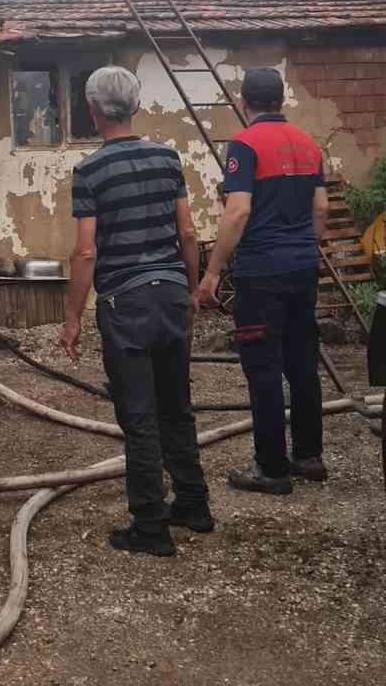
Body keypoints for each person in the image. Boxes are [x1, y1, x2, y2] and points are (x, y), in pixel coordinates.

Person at [59, 66, 213, 558]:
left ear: (93, 110)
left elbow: (85, 252)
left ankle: (150, 526)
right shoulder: (168, 158)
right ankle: (193, 503)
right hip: (170, 292)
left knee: (140, 418)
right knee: (177, 407)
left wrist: (73, 317)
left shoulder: (90, 171)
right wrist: (188, 289)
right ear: (136, 107)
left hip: (125, 301)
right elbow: (188, 233)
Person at [198, 67, 329, 495]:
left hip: (261, 273)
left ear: (244, 101)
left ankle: (271, 469)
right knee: (302, 360)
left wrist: (213, 271)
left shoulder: (245, 144)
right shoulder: (309, 144)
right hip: (302, 268)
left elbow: (237, 211)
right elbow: (321, 208)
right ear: (282, 99)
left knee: (263, 367)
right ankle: (309, 456)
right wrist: (304, 247)